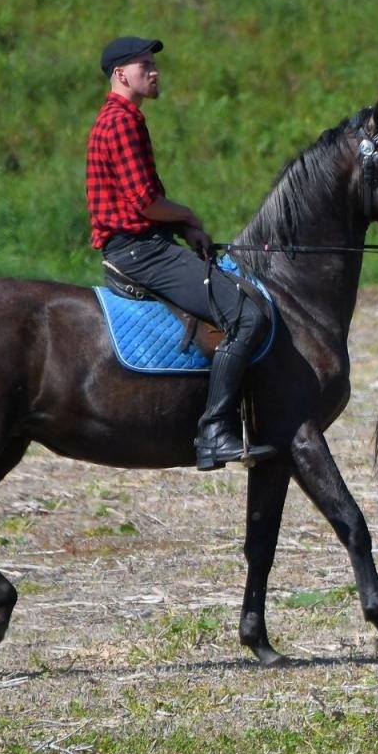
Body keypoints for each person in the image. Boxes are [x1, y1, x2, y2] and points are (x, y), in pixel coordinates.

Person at [86, 35, 275, 470]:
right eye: (144, 65)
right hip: (140, 253)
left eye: (154, 64)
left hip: (145, 243)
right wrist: (187, 214)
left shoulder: (121, 118)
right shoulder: (122, 122)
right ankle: (214, 432)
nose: (154, 71)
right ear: (120, 75)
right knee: (248, 315)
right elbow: (144, 201)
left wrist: (182, 227)